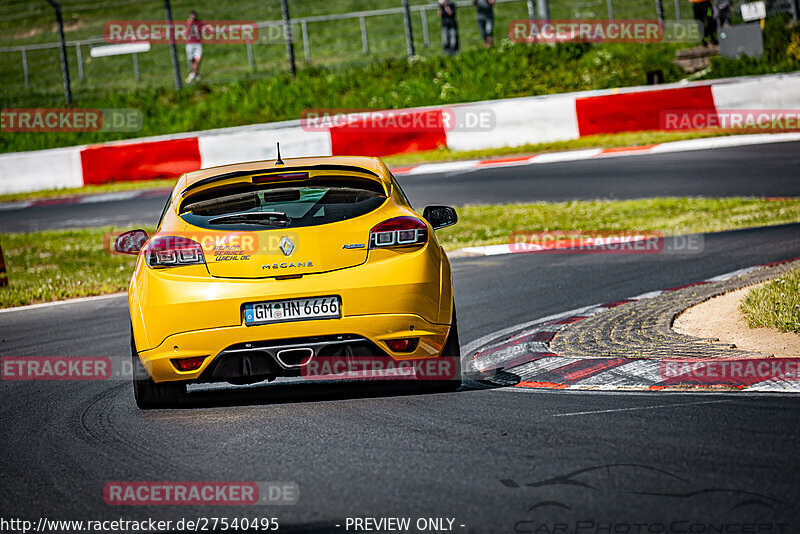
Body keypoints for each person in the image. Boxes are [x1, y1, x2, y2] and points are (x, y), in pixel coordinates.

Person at [185, 10, 203, 83]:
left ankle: (193, 74)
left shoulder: (199, 23)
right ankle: (195, 74)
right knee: (192, 60)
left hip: (198, 44)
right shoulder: (188, 23)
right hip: (190, 44)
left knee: (198, 60)